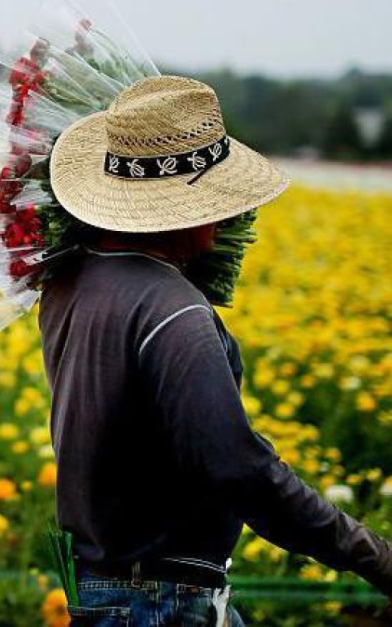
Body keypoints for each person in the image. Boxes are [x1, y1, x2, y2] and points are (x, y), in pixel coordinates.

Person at [39, 75, 392, 625]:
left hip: (107, 587)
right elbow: (239, 470)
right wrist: (372, 554)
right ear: (190, 208)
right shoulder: (173, 310)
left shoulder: (70, 281)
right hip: (162, 601)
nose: (229, 218)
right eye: (220, 199)